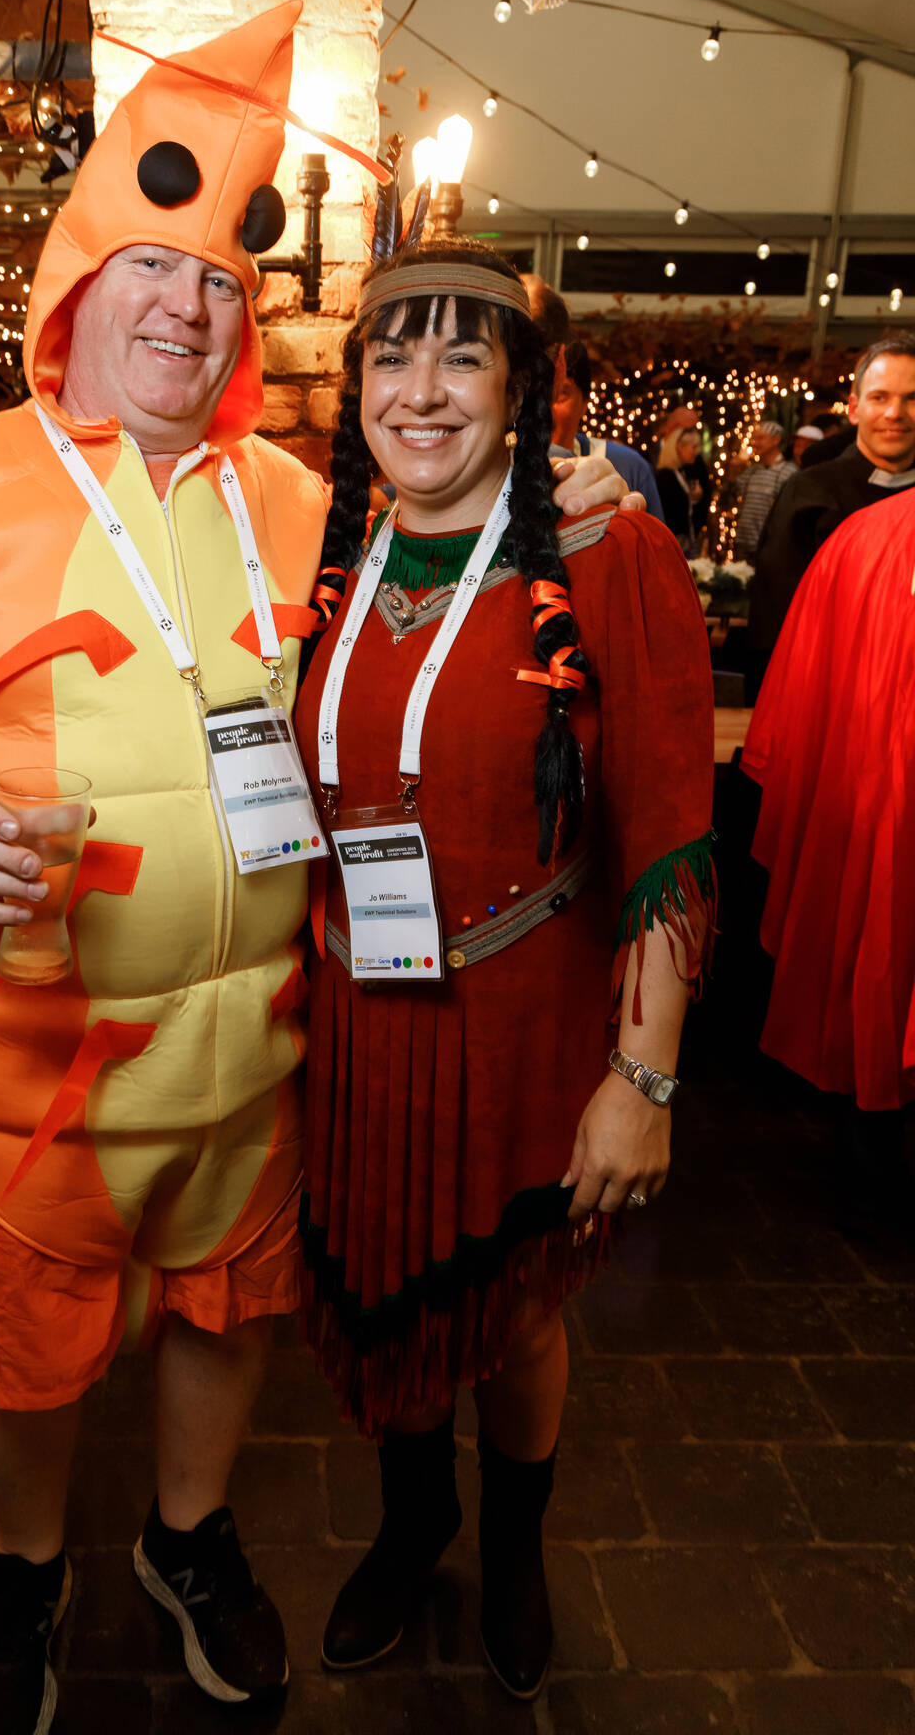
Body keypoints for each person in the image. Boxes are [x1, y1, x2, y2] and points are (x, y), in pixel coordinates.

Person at [0, 6, 635, 1735]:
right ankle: (23, 1570)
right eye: (151, 268)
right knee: (24, 1356)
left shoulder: (302, 501)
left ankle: (187, 1538)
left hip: (256, 1061)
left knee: (227, 1317)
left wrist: (571, 504)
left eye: (221, 282)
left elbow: (457, 585)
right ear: (77, 284)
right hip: (37, 1077)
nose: (186, 307)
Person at [293, 237, 715, 1699]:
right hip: (358, 1017)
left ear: (521, 392)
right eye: (390, 356)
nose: (419, 392)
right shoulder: (327, 551)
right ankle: (415, 1527)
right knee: (386, 1280)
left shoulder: (607, 556)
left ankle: (515, 1550)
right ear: (354, 386)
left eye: (460, 357)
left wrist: (641, 1080)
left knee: (517, 1308)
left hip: (521, 1017)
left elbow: (666, 835)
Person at [743, 487, 915, 1226]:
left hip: (876, 803)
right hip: (874, 803)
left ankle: (871, 1156)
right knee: (873, 963)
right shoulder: (860, 537)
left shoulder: (861, 537)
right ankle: (870, 1157)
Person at [748, 335, 915, 677]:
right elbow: (774, 618)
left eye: (912, 399)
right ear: (854, 409)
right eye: (879, 397)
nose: (894, 413)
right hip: (829, 682)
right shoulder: (809, 493)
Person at [553, 338, 664, 521]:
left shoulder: (630, 467)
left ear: (585, 402)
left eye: (561, 394)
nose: (544, 407)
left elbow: (655, 537)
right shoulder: (506, 470)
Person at [731, 419, 793, 560]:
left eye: (761, 438)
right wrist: (735, 468)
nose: (755, 443)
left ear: (776, 440)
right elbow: (734, 492)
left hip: (769, 547)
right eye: (754, 439)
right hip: (743, 544)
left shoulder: (788, 472)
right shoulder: (752, 470)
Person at [656, 423, 710, 552]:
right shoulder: (665, 477)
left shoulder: (681, 472)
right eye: (694, 447)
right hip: (672, 543)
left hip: (685, 542)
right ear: (680, 447)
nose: (697, 452)